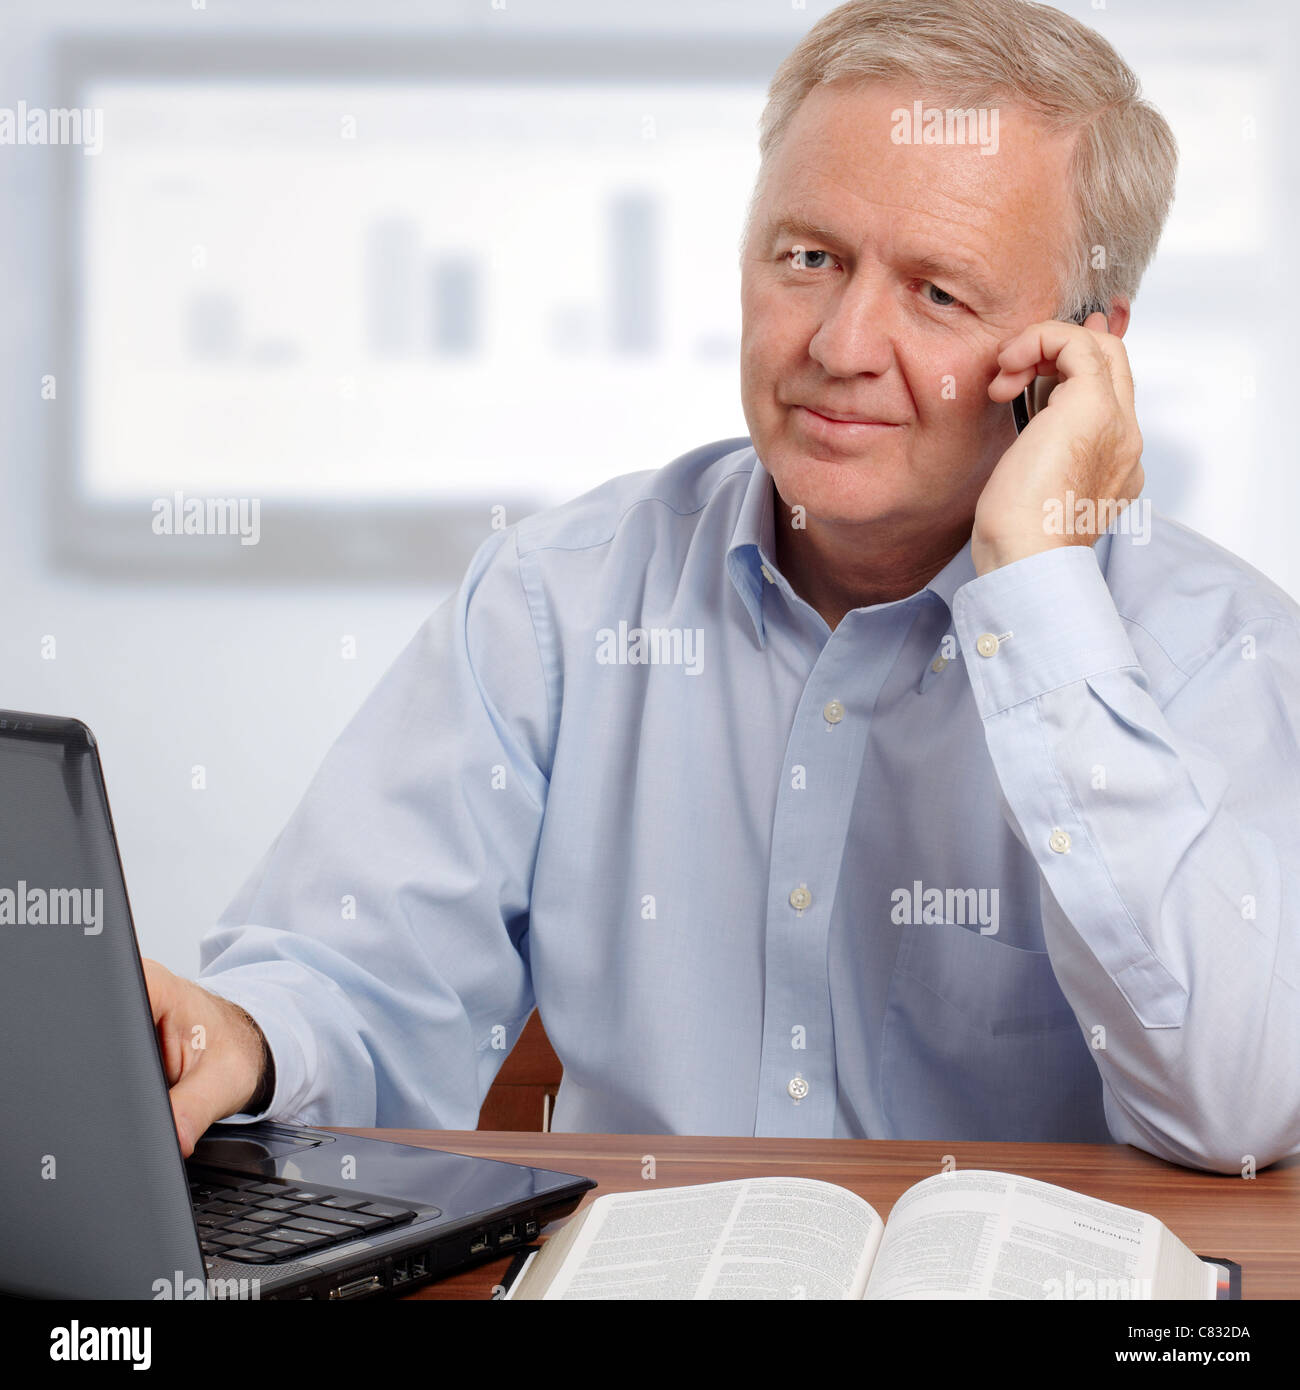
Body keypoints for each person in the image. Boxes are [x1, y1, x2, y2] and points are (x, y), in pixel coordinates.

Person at [145, 0, 1300, 1175]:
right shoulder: (560, 604)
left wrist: (1044, 593)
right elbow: (351, 977)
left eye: (937, 293)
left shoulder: (1219, 655)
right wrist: (240, 1035)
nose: (840, 344)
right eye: (809, 258)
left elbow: (1240, 1107)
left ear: (1082, 355)